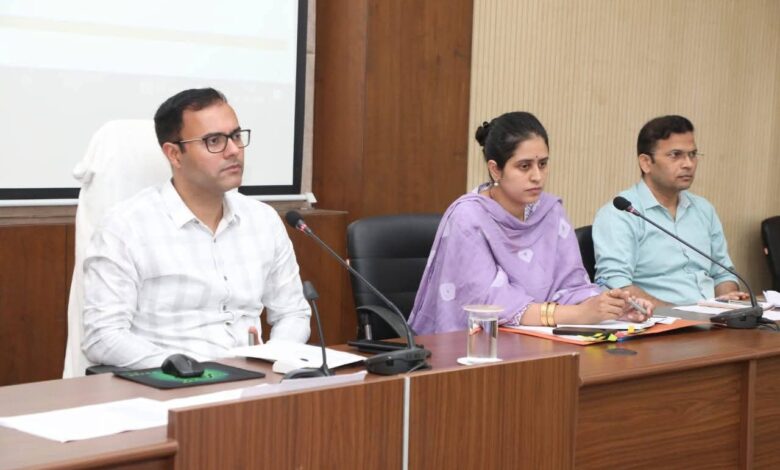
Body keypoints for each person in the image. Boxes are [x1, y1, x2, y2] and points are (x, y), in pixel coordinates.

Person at [82, 88, 311, 368]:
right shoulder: (126, 227)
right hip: (171, 383)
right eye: (214, 141)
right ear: (174, 154)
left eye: (236, 136)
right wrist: (184, 367)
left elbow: (293, 313)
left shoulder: (263, 220)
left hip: (255, 381)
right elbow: (102, 336)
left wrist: (274, 356)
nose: (233, 150)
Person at [408, 112, 652, 335]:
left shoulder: (551, 211)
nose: (537, 176)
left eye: (543, 164)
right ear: (495, 170)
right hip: (477, 348)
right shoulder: (469, 217)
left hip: (543, 343)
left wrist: (611, 308)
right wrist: (577, 315)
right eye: (524, 166)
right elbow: (489, 303)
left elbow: (572, 286)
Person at [592, 115, 747, 307]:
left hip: (711, 318)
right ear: (646, 162)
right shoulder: (621, 213)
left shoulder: (704, 210)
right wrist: (679, 314)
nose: (688, 164)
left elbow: (723, 274)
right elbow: (616, 285)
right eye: (675, 155)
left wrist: (727, 303)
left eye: (692, 154)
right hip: (660, 320)